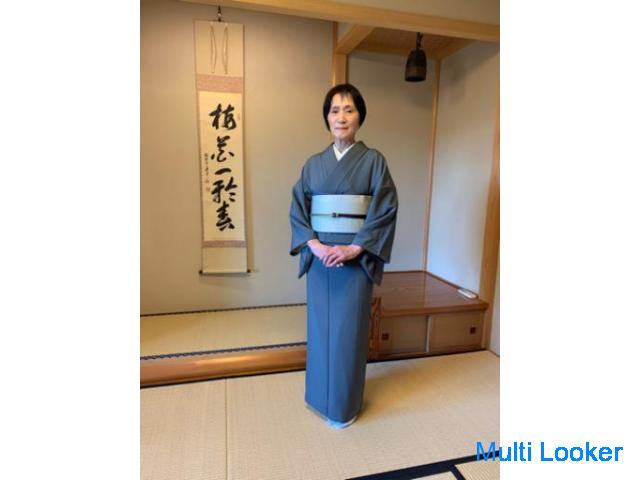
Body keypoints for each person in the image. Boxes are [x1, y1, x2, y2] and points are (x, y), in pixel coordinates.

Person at [289, 83, 398, 428]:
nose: (341, 117)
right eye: (334, 110)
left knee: (348, 334)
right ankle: (318, 398)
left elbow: (385, 209)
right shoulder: (313, 165)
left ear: (359, 116)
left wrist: (354, 248)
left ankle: (343, 407)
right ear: (327, 117)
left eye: (349, 110)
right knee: (320, 330)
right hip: (321, 259)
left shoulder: (374, 161)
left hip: (354, 261)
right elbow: (298, 209)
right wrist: (314, 245)